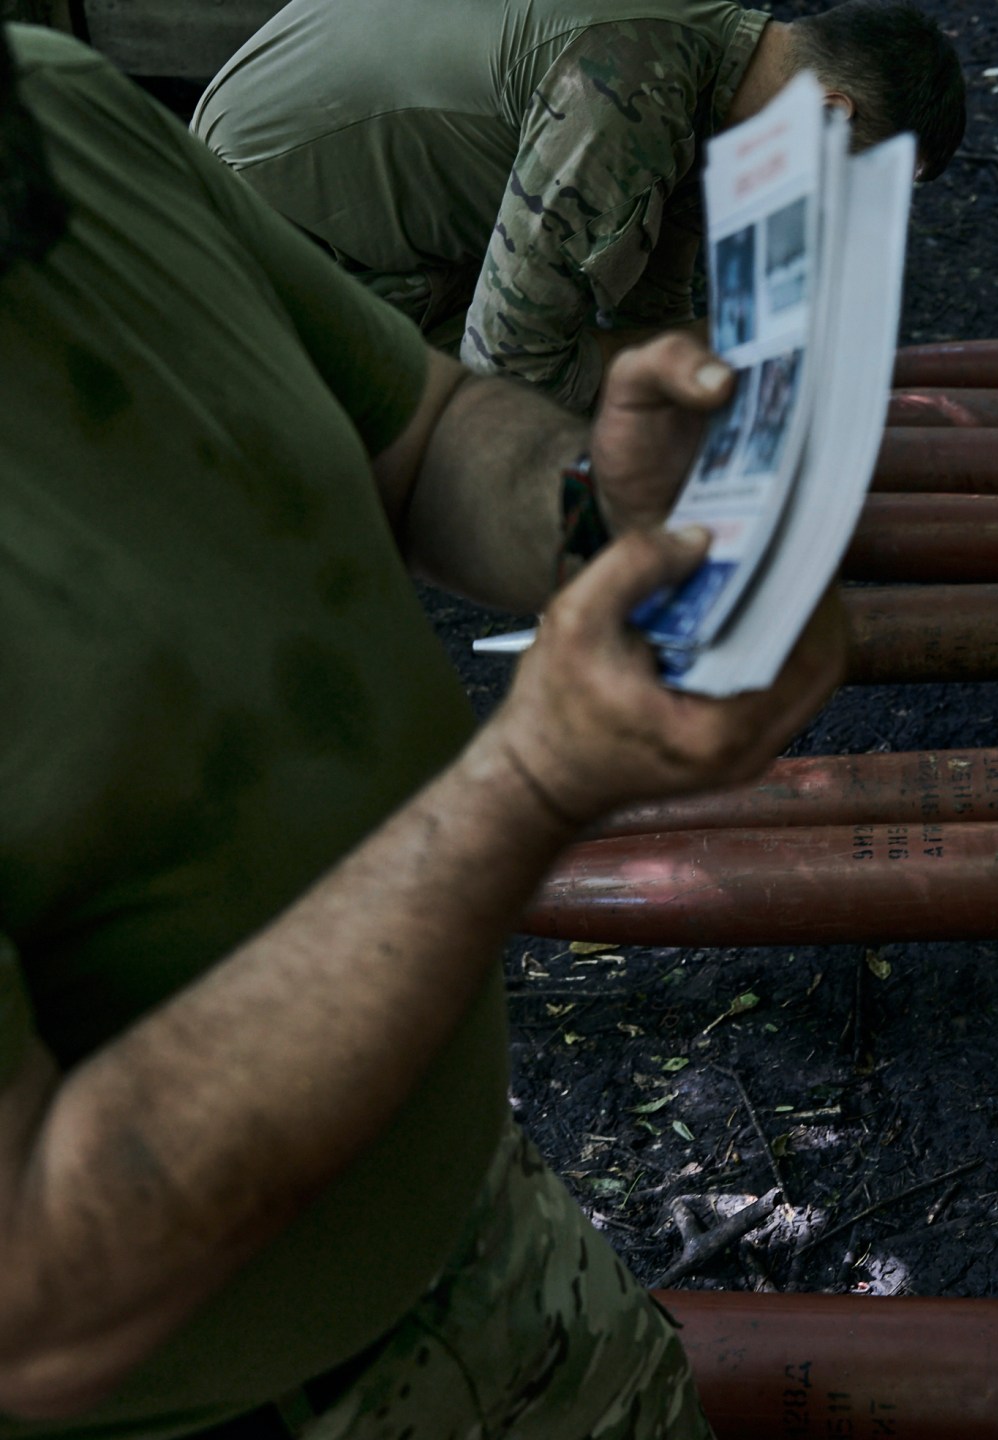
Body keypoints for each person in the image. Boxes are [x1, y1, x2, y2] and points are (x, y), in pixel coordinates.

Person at [0, 23, 843, 1437]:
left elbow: (421, 425)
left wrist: (596, 507)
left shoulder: (53, 118)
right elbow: (38, 1296)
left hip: (491, 1254)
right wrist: (521, 785)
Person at [189, 0, 965, 410]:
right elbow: (508, 372)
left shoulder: (716, 53)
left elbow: (658, 276)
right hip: (262, 242)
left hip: (310, 172)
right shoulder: (631, 88)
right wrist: (729, 348)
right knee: (498, 427)